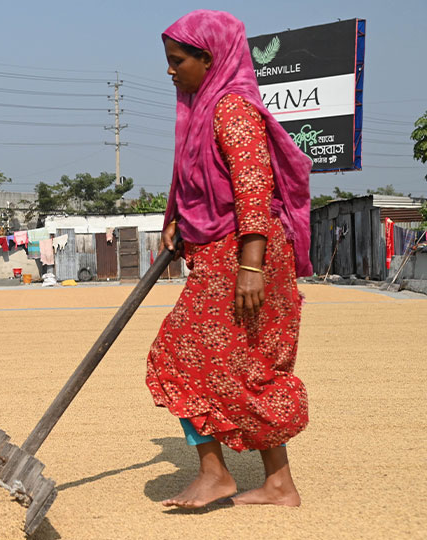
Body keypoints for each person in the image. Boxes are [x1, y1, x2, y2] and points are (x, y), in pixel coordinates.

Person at [145, 10, 313, 510]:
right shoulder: (204, 111)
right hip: (222, 252)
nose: (170, 71)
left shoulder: (232, 109)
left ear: (208, 57)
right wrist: (179, 218)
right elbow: (203, 182)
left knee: (177, 354)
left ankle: (215, 474)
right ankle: (279, 486)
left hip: (243, 253)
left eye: (177, 61)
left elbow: (254, 189)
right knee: (250, 364)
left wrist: (251, 266)